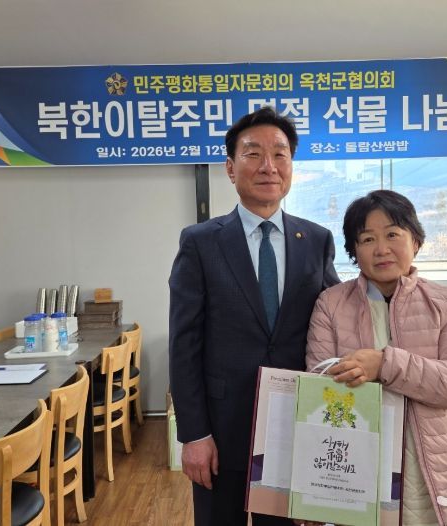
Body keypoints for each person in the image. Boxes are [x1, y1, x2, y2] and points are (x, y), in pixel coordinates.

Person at [169, 107, 340, 526]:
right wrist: (194, 434)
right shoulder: (200, 242)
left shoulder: (316, 240)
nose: (268, 166)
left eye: (280, 154)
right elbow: (183, 344)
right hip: (220, 428)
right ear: (230, 168)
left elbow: (339, 316)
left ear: (291, 166)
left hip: (294, 424)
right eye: (253, 154)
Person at [306, 190, 447, 526]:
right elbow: (318, 393)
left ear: (415, 240)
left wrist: (384, 365)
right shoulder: (330, 305)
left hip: (435, 473)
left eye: (392, 234)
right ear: (354, 251)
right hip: (355, 471)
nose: (381, 249)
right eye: (367, 239)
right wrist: (312, 488)